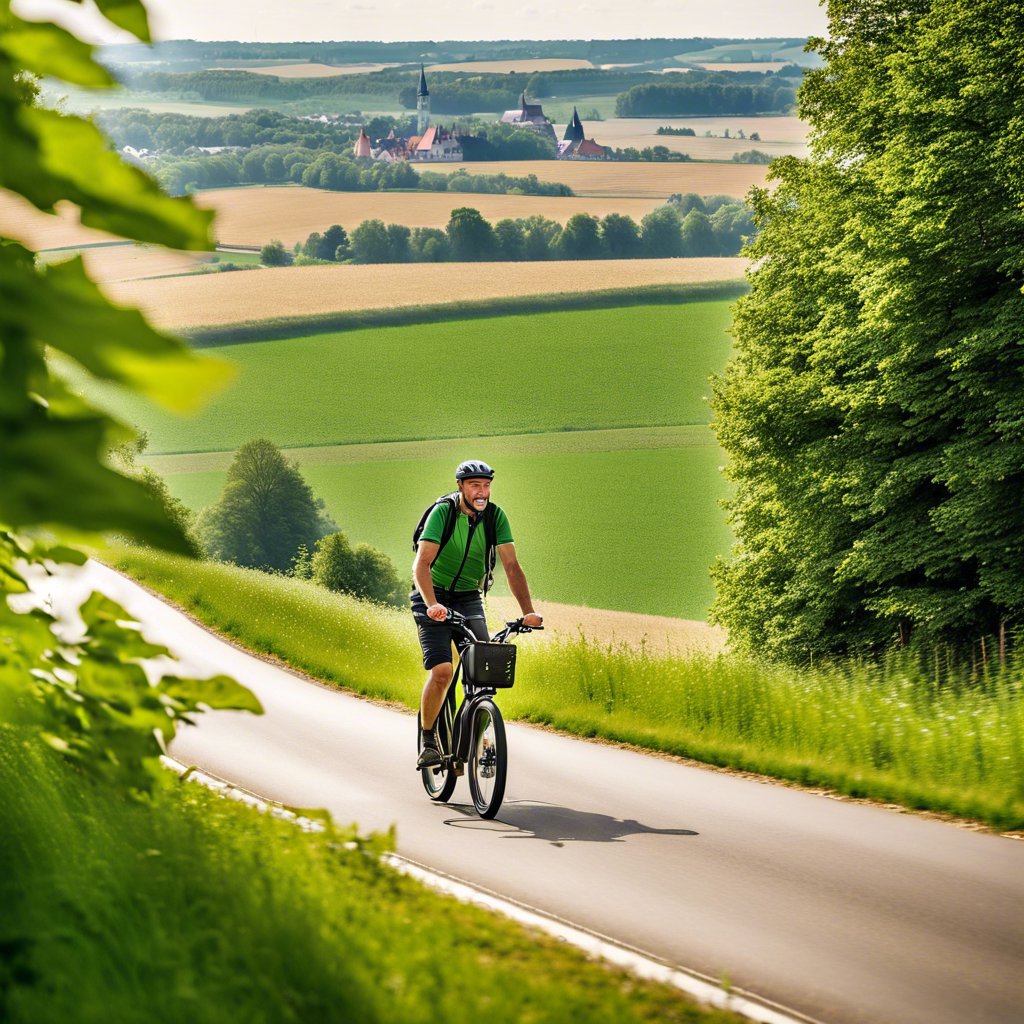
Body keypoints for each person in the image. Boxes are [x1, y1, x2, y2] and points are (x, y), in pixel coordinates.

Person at [411, 460, 542, 768]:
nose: (482, 492)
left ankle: (471, 741)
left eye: (485, 485)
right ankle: (429, 740)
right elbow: (422, 565)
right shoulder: (442, 513)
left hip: (469, 597)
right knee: (443, 672)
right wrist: (432, 604)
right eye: (474, 485)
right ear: (461, 487)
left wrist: (529, 612)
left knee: (484, 673)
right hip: (432, 594)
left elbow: (511, 567)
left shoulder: (496, 517)